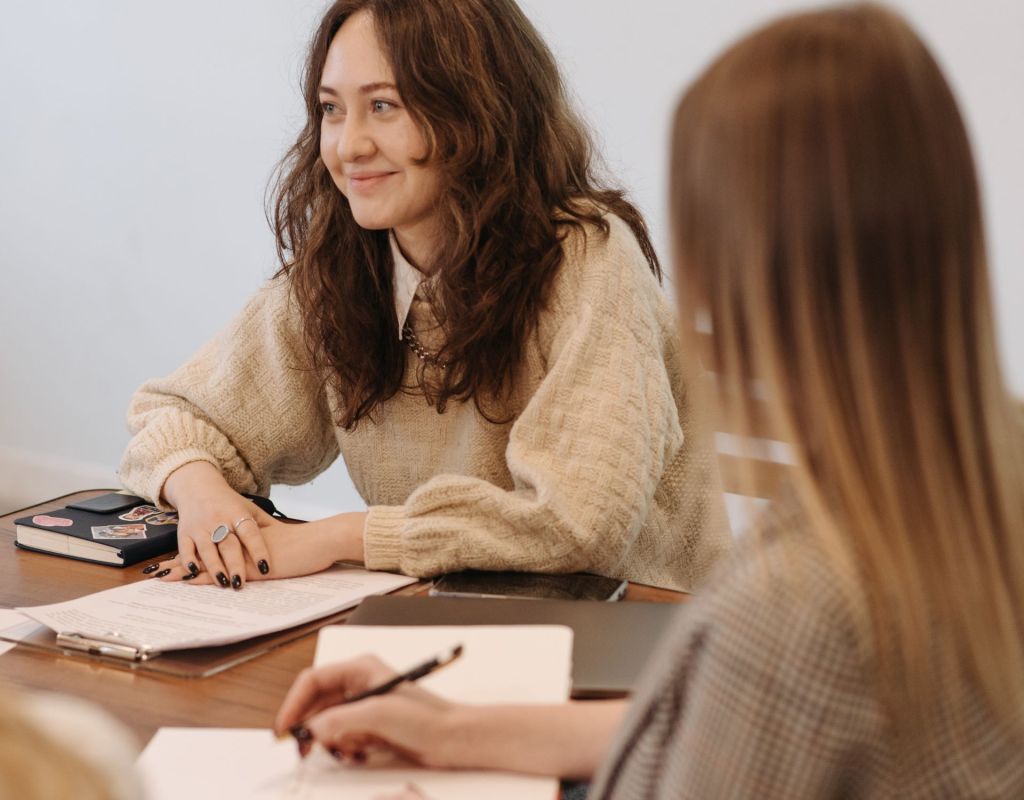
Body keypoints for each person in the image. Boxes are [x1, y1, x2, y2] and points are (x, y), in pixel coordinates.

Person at [272, 4, 1024, 796]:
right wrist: (449, 729)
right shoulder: (979, 474)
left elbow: (739, 703)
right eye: (332, 107)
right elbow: (715, 719)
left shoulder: (798, 608)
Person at [119, 0, 730, 593]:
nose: (349, 145)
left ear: (478, 111)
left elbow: (578, 522)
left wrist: (342, 537)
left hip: (636, 636)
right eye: (332, 109)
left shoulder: (586, 256)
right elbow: (177, 419)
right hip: (442, 616)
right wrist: (204, 498)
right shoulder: (349, 265)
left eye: (383, 106)